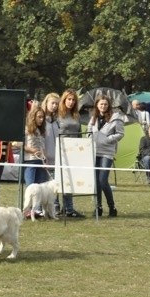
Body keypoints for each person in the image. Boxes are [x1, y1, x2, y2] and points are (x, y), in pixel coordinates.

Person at [88, 95, 124, 217]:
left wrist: (108, 139)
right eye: (101, 104)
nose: (103, 106)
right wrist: (89, 139)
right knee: (96, 182)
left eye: (105, 104)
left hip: (107, 152)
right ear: (97, 105)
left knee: (103, 181)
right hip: (94, 151)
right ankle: (98, 207)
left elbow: (120, 134)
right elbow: (88, 131)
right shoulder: (93, 118)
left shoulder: (116, 118)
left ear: (108, 105)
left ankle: (112, 206)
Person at [56, 88, 85, 218]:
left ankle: (69, 208)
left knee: (69, 180)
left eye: (73, 100)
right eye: (69, 99)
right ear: (64, 100)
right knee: (57, 179)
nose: (71, 102)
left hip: (73, 151)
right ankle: (56, 207)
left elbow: (79, 134)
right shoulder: (57, 114)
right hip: (59, 150)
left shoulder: (76, 115)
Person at [23, 105, 48, 187]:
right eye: (39, 117)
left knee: (40, 188)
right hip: (30, 161)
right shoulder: (26, 129)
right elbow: (18, 144)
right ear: (33, 117)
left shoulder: (41, 130)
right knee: (31, 188)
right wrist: (31, 150)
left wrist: (45, 159)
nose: (41, 119)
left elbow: (42, 146)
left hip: (40, 161)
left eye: (43, 117)